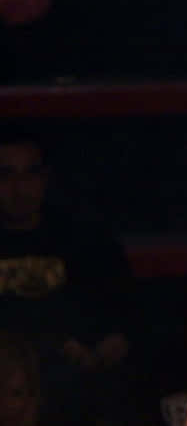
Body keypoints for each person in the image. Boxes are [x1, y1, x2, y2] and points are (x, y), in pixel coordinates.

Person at [0, 127, 138, 425]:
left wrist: (101, 350)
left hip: (73, 387)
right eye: (6, 175)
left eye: (30, 174)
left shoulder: (84, 240)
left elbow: (125, 318)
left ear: (45, 178)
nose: (19, 187)